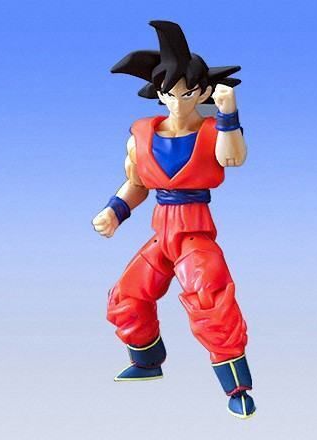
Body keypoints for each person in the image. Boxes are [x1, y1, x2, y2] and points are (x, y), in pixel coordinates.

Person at [92, 20, 255, 419]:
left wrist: (229, 113)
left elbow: (232, 158)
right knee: (127, 295)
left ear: (203, 91)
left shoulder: (213, 131)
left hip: (194, 232)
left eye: (188, 93)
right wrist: (114, 211)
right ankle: (147, 361)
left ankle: (236, 387)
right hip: (161, 230)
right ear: (159, 93)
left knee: (210, 300)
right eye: (170, 93)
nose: (179, 101)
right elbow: (136, 183)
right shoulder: (142, 134)